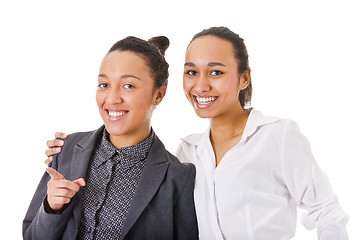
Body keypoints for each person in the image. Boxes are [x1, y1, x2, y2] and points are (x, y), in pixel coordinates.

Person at [44, 27, 349, 240]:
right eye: (191, 72)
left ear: (243, 78)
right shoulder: (187, 153)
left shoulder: (278, 137)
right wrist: (75, 148)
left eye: (215, 72)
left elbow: (326, 212)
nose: (200, 85)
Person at [23, 36, 198, 240]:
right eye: (104, 85)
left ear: (158, 95)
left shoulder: (177, 177)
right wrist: (52, 208)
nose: (112, 99)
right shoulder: (66, 148)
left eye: (128, 86)